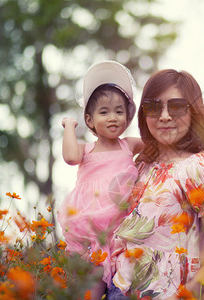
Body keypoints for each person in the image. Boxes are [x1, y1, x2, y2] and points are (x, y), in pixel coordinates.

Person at [108, 69, 204, 299]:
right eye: (153, 107)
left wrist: (186, 295)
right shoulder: (140, 167)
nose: (165, 116)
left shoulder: (197, 168)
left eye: (177, 106)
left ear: (194, 112)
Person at [57, 60, 144, 299]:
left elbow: (157, 147)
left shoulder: (130, 145)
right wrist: (69, 126)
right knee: (91, 289)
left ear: (127, 117)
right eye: (103, 112)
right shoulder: (87, 150)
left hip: (120, 232)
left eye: (119, 111)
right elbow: (70, 156)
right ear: (89, 120)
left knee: (122, 286)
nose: (113, 117)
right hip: (92, 232)